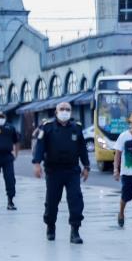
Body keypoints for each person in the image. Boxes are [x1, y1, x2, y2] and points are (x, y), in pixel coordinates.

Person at [32, 102, 89, 243]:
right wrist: (37, 163)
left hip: (72, 171)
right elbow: (40, 146)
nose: (65, 111)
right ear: (56, 112)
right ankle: (50, 226)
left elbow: (82, 148)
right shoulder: (48, 127)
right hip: (53, 171)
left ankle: (75, 231)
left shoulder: (77, 128)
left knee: (75, 200)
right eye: (62, 109)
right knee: (52, 202)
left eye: (67, 109)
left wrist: (86, 166)